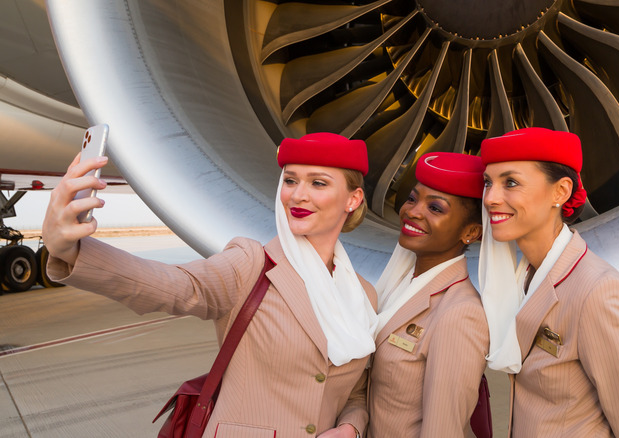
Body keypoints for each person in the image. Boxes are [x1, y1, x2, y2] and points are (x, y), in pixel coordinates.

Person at [42, 132, 379, 438]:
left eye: (318, 183)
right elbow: (177, 286)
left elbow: (357, 389)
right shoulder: (252, 263)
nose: (297, 195)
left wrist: (350, 427)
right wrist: (71, 250)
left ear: (352, 199)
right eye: (290, 180)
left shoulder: (362, 294)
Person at [478, 128, 619, 437]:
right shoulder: (521, 277)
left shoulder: (596, 290)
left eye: (510, 182)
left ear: (561, 192)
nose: (490, 198)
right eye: (488, 182)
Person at [368, 152, 489, 437]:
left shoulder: (460, 313)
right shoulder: (399, 285)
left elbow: (442, 429)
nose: (412, 211)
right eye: (412, 198)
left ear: (471, 231)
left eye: (435, 208)